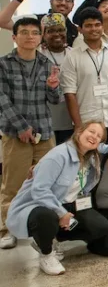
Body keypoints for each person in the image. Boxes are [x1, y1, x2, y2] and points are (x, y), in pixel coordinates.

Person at [4, 123, 108, 275]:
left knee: (101, 227)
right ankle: (46, 253)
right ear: (79, 131)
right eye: (91, 131)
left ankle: (53, 239)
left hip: (70, 203)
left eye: (98, 136)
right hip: (38, 205)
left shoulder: (90, 154)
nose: (94, 137)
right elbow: (39, 190)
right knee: (46, 217)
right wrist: (61, 213)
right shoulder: (58, 155)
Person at [0, 17, 62, 249]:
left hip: (44, 133)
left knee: (48, 183)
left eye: (34, 33)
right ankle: (7, 229)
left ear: (40, 37)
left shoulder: (46, 63)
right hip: (15, 134)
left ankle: (45, 228)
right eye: (24, 32)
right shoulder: (4, 64)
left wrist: (54, 87)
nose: (30, 36)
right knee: (12, 185)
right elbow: (2, 100)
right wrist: (21, 127)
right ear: (14, 37)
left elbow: (55, 100)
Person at [60, 8, 108, 140]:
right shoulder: (72, 57)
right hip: (87, 122)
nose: (93, 29)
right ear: (80, 29)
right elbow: (70, 94)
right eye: (88, 26)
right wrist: (78, 126)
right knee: (90, 160)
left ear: (102, 26)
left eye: (97, 25)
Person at [1, 0, 80, 46]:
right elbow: (3, 22)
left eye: (68, 0)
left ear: (72, 5)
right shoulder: (35, 20)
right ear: (51, 2)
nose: (63, 3)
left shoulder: (75, 31)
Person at [39, 14, 75, 145]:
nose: (57, 34)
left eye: (60, 30)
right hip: (46, 123)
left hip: (70, 121)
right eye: (51, 31)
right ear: (43, 34)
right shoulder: (37, 55)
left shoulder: (74, 54)